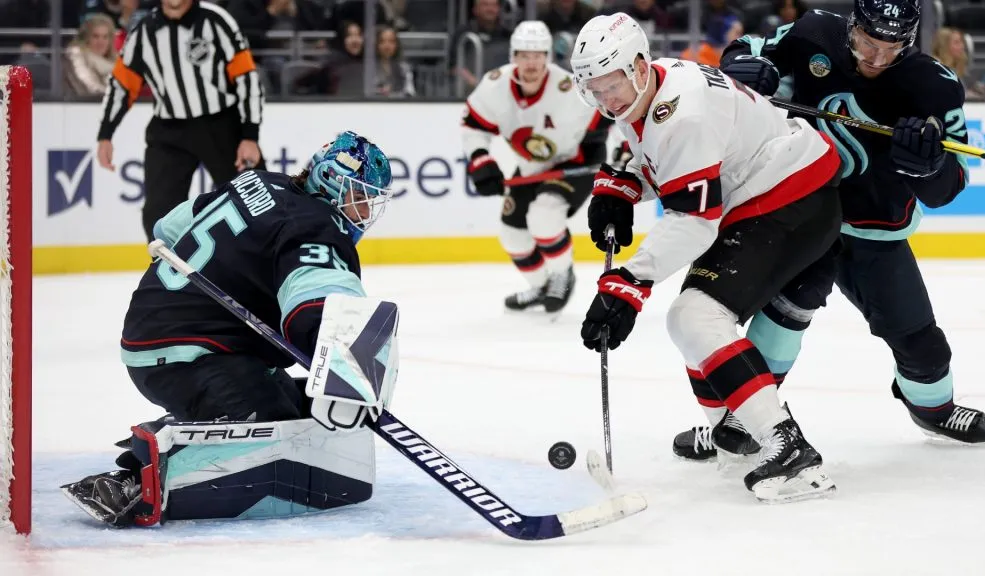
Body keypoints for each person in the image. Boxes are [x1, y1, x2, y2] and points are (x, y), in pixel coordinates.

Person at [672, 0, 985, 462]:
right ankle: (741, 419)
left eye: (891, 48)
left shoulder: (935, 85)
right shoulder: (813, 32)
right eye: (868, 42)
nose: (876, 58)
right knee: (784, 316)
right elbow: (747, 48)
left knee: (920, 343)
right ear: (852, 26)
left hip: (874, 229)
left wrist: (928, 168)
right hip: (800, 211)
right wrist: (738, 66)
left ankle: (935, 410)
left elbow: (951, 184)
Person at [571, 13, 843, 502]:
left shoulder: (683, 113)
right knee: (691, 318)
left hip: (790, 199)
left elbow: (695, 219)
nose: (607, 100)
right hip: (767, 193)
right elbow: (669, 157)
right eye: (595, 90)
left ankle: (790, 451)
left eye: (611, 85)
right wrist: (625, 183)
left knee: (696, 316)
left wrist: (630, 282)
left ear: (637, 67)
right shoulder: (654, 85)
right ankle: (736, 435)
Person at [62, 131, 397, 527]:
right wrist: (348, 369)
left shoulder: (259, 181)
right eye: (360, 197)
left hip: (167, 332)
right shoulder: (316, 226)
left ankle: (187, 434)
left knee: (298, 410)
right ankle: (141, 478)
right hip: (189, 352)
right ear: (331, 181)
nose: (363, 211)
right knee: (276, 429)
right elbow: (315, 307)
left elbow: (168, 228)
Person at [462, 20, 611, 314]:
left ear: (548, 57)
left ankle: (562, 277)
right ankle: (541, 286)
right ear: (513, 57)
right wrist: (480, 160)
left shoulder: (568, 88)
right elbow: (473, 126)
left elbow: (609, 113)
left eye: (538, 55)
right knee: (512, 235)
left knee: (545, 215)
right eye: (524, 55)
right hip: (531, 167)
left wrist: (621, 148)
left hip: (574, 161)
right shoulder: (494, 86)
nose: (531, 63)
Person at [96, 0, 267, 242]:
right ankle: (168, 265)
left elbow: (247, 79)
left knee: (254, 199)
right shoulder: (145, 31)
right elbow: (122, 85)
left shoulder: (216, 21)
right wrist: (105, 134)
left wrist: (250, 136)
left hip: (221, 126)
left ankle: (265, 259)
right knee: (158, 214)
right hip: (169, 130)